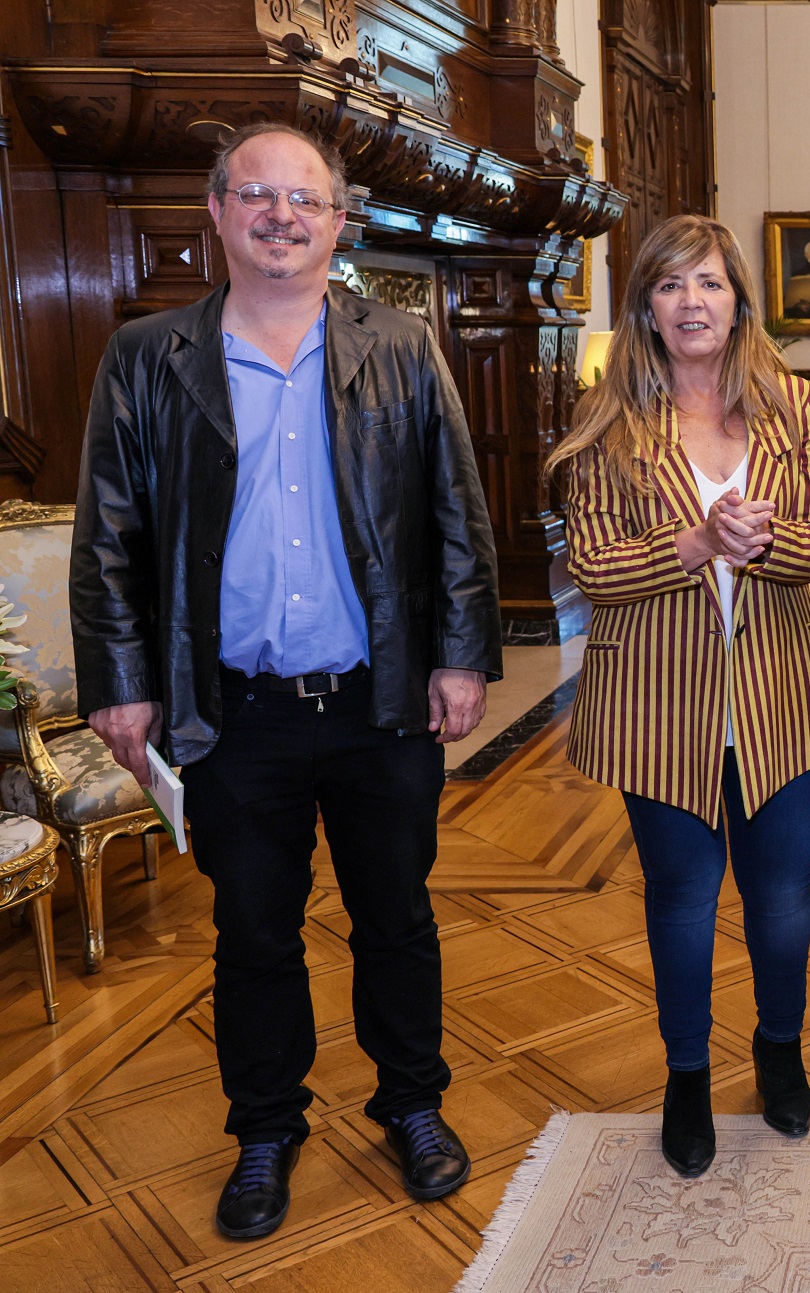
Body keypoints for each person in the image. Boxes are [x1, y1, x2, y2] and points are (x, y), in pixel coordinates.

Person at [69, 121, 501, 1240]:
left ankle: (411, 1104)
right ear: (215, 214)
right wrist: (120, 682)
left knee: (395, 919)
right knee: (253, 932)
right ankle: (265, 1130)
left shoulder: (400, 346)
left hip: (378, 702)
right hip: (232, 710)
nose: (280, 216)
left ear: (337, 221)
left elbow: (458, 513)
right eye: (254, 195)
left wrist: (460, 653)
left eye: (303, 199)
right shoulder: (148, 356)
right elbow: (108, 533)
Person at [549, 214, 810, 1177]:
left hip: (776, 697)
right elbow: (593, 567)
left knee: (785, 899)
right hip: (656, 702)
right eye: (671, 286)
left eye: (710, 284)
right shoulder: (610, 421)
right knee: (681, 900)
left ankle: (781, 1051)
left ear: (738, 299)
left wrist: (762, 543)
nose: (692, 303)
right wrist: (699, 543)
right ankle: (685, 1077)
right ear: (645, 306)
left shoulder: (793, 405)